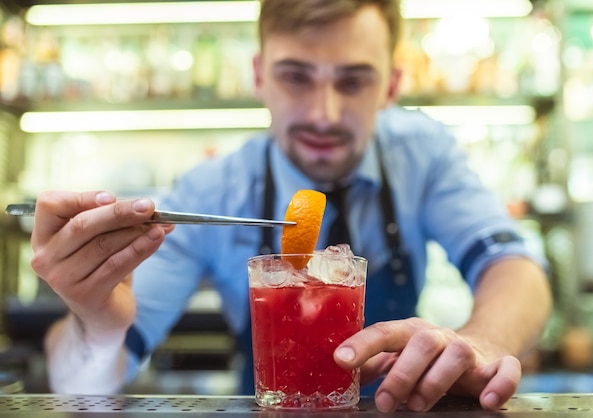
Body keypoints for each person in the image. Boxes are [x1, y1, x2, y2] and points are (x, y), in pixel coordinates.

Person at [31, 0, 552, 413]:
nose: (324, 114)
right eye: (296, 76)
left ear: (391, 85)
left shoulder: (424, 155)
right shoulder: (212, 189)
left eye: (353, 81)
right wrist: (96, 326)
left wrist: (479, 342)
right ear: (259, 76)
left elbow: (513, 266)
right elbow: (81, 383)